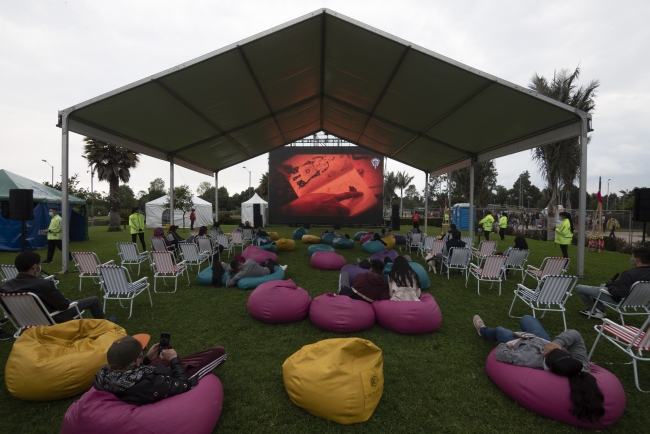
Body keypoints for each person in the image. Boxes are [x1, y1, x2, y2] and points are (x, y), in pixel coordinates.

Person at [472, 314, 604, 423]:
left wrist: (509, 344)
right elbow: (575, 334)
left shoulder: (529, 358)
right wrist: (556, 343)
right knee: (527, 318)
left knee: (500, 330)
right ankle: (538, 333)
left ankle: (482, 330)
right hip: (542, 340)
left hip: (521, 343)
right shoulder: (582, 365)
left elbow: (501, 354)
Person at [93, 334, 227, 406]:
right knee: (219, 352)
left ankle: (171, 358)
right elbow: (183, 385)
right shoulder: (148, 383)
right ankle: (175, 358)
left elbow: (135, 372)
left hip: (151, 375)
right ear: (135, 361)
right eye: (140, 355)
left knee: (164, 348)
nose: (142, 355)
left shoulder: (104, 374)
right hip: (167, 381)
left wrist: (147, 359)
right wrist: (174, 360)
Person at [0, 252, 106, 322]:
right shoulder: (42, 284)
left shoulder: (4, 287)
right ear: (35, 266)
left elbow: (8, 310)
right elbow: (63, 306)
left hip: (27, 321)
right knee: (94, 300)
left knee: (68, 302)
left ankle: (81, 320)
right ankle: (103, 325)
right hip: (52, 319)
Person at [576, 247, 650, 318]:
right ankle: (599, 310)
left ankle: (593, 311)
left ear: (637, 260)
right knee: (603, 285)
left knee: (580, 288)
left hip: (622, 301)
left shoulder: (629, 274)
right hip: (640, 301)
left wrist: (610, 286)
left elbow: (619, 293)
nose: (631, 259)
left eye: (632, 257)